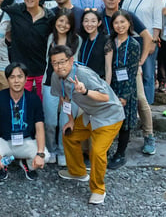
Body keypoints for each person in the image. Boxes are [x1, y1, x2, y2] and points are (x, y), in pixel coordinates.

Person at [50, 45, 124, 206]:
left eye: (62, 62)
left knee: (97, 152)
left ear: (71, 60)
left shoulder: (83, 74)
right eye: (55, 63)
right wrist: (70, 120)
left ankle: (98, 189)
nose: (59, 66)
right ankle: (77, 172)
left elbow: (105, 97)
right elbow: (65, 99)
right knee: (69, 134)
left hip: (109, 115)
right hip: (89, 115)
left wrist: (84, 92)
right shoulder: (56, 76)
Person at [101, 0, 157, 156]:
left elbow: (147, 37)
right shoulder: (99, 15)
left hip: (130, 67)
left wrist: (140, 61)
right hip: (111, 67)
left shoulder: (127, 16)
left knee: (140, 98)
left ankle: (149, 136)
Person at [0, 62, 49, 181]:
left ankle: (26, 163)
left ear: (26, 79)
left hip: (26, 140)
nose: (16, 81)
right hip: (5, 140)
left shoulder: (34, 99)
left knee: (45, 156)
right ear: (7, 79)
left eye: (20, 76)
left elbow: (39, 127)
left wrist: (40, 154)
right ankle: (2, 165)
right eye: (12, 77)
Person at [43, 8, 80, 167]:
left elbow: (75, 64)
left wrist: (68, 89)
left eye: (67, 22)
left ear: (71, 24)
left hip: (69, 84)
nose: (63, 25)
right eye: (60, 21)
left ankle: (62, 151)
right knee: (50, 121)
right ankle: (50, 149)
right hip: (50, 83)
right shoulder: (51, 38)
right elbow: (46, 61)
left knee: (66, 120)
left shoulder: (76, 40)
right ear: (55, 21)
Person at [5, 0, 54, 100]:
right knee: (21, 106)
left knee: (42, 107)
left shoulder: (50, 17)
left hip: (42, 70)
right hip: (20, 70)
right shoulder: (15, 10)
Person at [121, 0, 162, 105]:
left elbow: (158, 20)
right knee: (132, 73)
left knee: (148, 73)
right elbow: (123, 17)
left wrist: (154, 40)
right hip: (131, 39)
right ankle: (132, 102)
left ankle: (147, 104)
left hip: (147, 38)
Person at [106, 10, 140, 170]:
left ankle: (120, 153)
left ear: (129, 23)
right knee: (110, 119)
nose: (119, 26)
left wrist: (125, 95)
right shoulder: (110, 41)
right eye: (116, 23)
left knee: (125, 122)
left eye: (122, 22)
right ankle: (104, 150)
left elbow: (132, 73)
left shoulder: (134, 44)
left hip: (127, 86)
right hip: (111, 85)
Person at [78, 9, 112, 80]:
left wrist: (106, 88)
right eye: (86, 21)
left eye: (93, 21)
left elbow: (108, 67)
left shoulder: (106, 40)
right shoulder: (81, 39)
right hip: (83, 81)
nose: (89, 24)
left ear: (99, 23)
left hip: (99, 81)